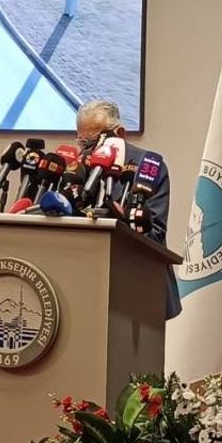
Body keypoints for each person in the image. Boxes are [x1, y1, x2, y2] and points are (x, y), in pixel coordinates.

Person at [74, 100, 181, 319]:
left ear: (120, 134)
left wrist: (119, 219)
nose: (87, 150)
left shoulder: (149, 167)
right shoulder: (79, 166)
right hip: (87, 285)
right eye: (81, 142)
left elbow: (155, 235)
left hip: (141, 287)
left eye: (93, 142)